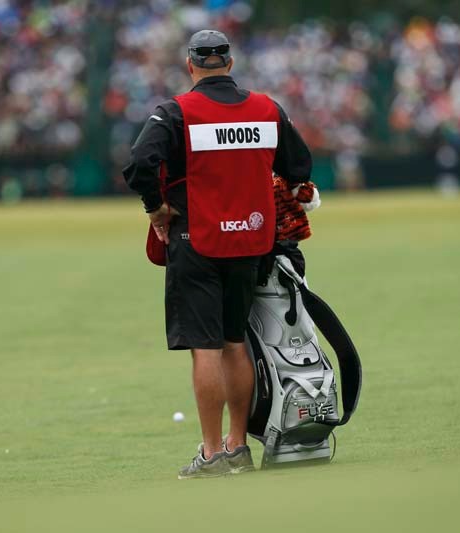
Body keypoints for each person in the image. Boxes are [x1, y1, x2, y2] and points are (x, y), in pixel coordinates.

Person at [123, 30, 313, 479]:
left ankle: (211, 455)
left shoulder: (175, 112)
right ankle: (237, 447)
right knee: (234, 343)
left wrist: (155, 208)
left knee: (204, 349)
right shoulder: (267, 109)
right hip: (251, 242)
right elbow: (299, 168)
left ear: (191, 65)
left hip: (198, 243)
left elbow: (139, 163)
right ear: (229, 63)